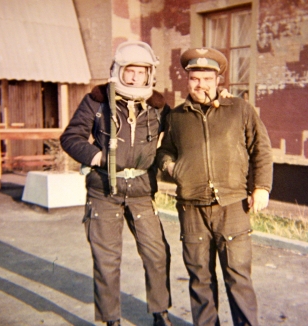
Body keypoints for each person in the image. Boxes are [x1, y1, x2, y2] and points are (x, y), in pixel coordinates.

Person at [156, 47, 273, 326]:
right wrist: (175, 170)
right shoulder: (177, 116)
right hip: (192, 208)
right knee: (200, 278)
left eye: (208, 78)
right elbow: (164, 153)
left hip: (232, 206)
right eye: (195, 78)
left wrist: (262, 187)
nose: (201, 84)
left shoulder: (240, 109)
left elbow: (261, 149)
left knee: (238, 277)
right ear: (187, 80)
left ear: (218, 80)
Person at [60, 41, 172, 326]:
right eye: (129, 71)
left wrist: (164, 162)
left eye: (141, 72)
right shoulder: (97, 101)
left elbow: (172, 142)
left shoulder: (160, 107)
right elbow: (71, 137)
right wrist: (96, 156)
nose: (135, 78)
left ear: (150, 74)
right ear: (118, 71)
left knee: (157, 253)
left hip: (142, 191)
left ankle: (161, 313)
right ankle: (111, 320)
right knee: (107, 260)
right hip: (103, 190)